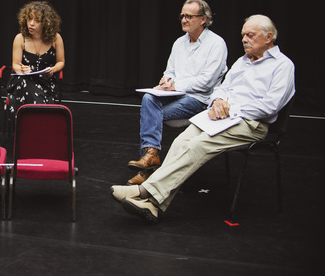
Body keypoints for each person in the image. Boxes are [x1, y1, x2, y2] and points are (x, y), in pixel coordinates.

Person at [111, 15, 295, 223]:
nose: (244, 39)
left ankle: (144, 192)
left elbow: (270, 107)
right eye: (243, 35)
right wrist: (217, 101)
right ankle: (151, 205)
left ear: (268, 37)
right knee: (182, 140)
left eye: (250, 35)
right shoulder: (242, 62)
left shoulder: (283, 66)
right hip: (223, 117)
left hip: (251, 123)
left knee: (198, 145)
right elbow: (222, 88)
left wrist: (231, 109)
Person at [127, 0, 228, 186]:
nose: (184, 20)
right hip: (175, 96)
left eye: (189, 16)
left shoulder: (216, 44)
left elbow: (206, 83)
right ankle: (151, 157)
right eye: (182, 16)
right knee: (149, 98)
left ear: (203, 19)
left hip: (199, 100)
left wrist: (176, 84)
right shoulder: (179, 43)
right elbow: (170, 71)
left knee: (151, 115)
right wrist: (166, 80)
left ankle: (148, 167)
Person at [5, 1, 65, 121]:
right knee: (24, 82)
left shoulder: (56, 38)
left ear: (45, 23)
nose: (31, 24)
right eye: (29, 19)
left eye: (36, 20)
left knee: (28, 87)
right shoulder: (20, 38)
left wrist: (53, 69)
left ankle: (28, 120)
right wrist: (22, 70)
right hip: (23, 79)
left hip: (45, 81)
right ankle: (37, 119)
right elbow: (15, 65)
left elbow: (61, 62)